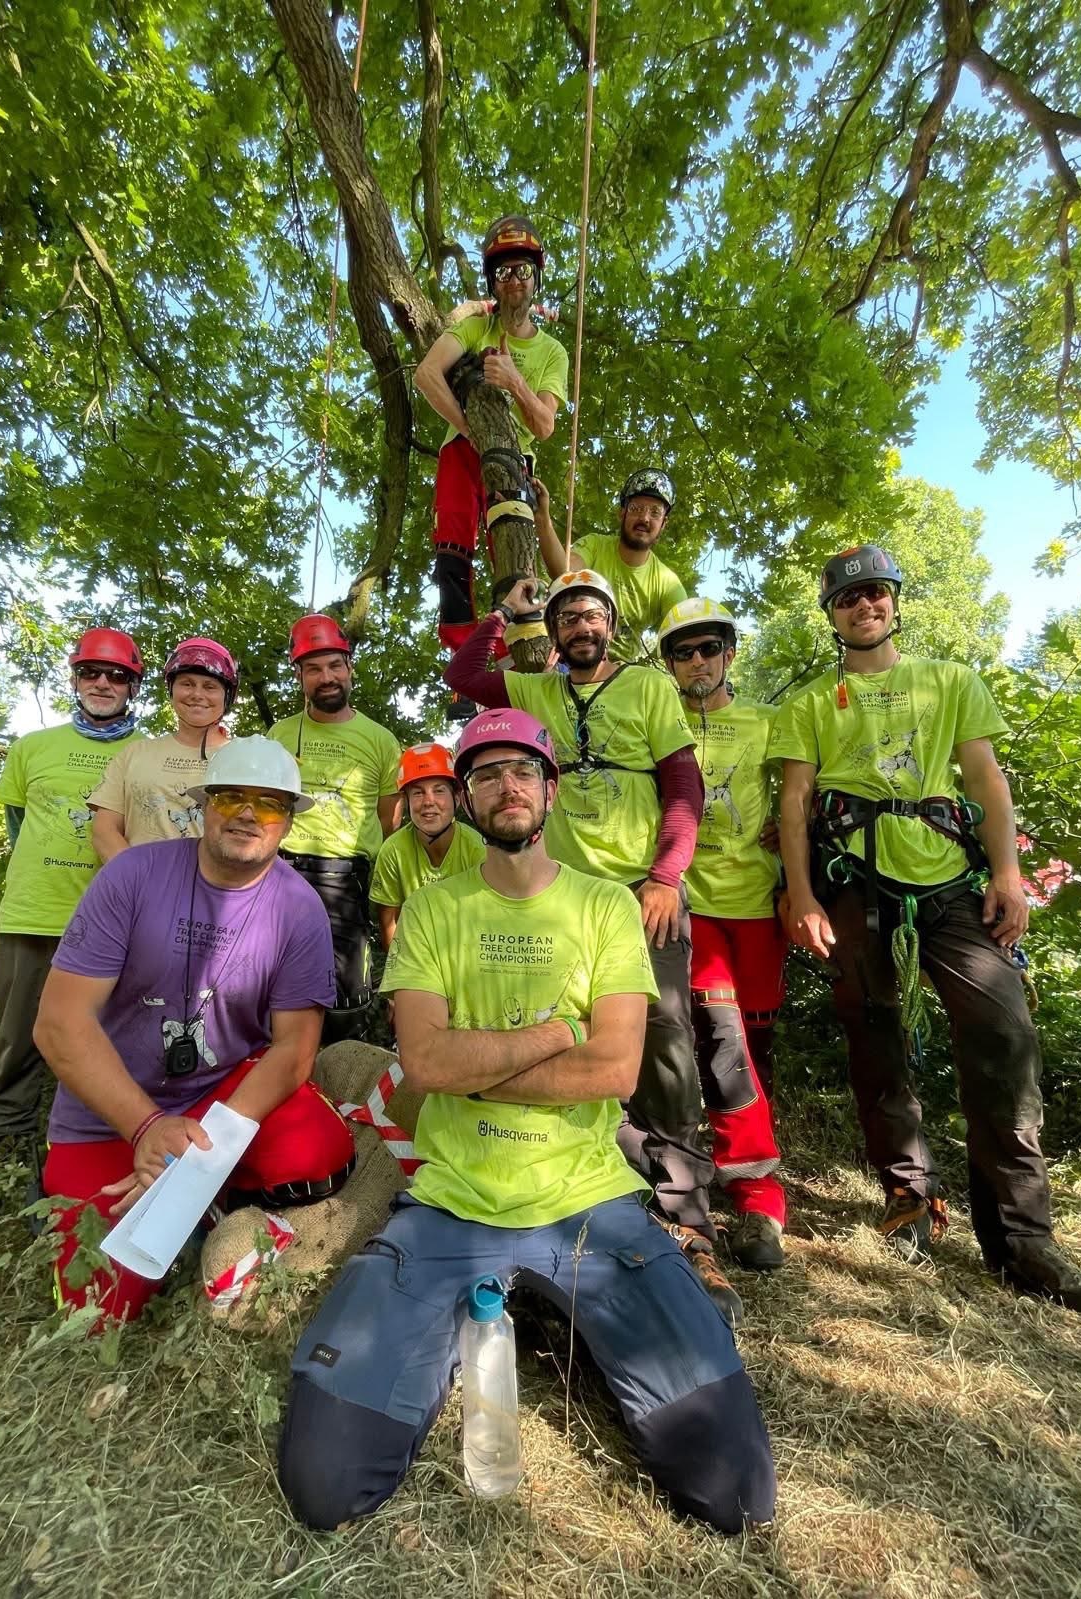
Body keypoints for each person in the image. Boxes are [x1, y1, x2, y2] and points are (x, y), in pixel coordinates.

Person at [279, 708, 775, 1534]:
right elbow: (426, 1064)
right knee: (322, 1485)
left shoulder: (605, 907)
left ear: (550, 789)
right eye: (485, 774)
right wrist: (555, 1034)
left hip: (588, 1204)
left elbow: (614, 1072)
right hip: (453, 1200)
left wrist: (478, 1063)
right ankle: (519, 1310)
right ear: (466, 798)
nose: (505, 785)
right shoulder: (433, 911)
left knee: (738, 1493)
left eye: (522, 771)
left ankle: (556, 1308)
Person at [772, 544, 1081, 1313]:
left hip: (948, 880)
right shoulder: (813, 702)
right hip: (855, 877)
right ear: (831, 614)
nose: (865, 605)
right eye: (848, 597)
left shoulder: (951, 680)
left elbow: (984, 775)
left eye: (876, 592)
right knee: (875, 1033)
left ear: (894, 600)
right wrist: (803, 895)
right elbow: (794, 801)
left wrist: (1008, 874)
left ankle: (1023, 1240)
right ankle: (909, 1195)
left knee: (1003, 1032)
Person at [444, 571, 741, 1321]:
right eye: (567, 616)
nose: (580, 625)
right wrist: (503, 612)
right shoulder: (535, 688)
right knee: (567, 1035)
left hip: (641, 892)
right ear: (554, 631)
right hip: (563, 901)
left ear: (609, 623)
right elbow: (465, 675)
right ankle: (598, 1193)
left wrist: (666, 875)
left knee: (664, 1042)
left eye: (591, 614)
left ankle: (687, 1218)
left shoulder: (647, 687)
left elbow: (684, 788)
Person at [34, 736, 356, 1324]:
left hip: (219, 1095)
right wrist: (147, 1128)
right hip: (112, 1109)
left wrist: (205, 1149)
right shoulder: (132, 875)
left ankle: (206, 1191)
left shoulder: (299, 907)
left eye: (270, 804)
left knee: (317, 1149)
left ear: (288, 821)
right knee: (99, 1311)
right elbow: (59, 1024)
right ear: (204, 805)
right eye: (231, 797)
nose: (248, 814)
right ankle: (157, 1190)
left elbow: (294, 1048)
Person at [659, 597, 787, 1271]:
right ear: (670, 666)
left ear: (730, 653)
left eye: (709, 648)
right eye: (683, 653)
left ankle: (738, 1154)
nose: (697, 661)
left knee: (751, 1044)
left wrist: (791, 834)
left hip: (760, 905)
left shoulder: (768, 721)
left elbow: (804, 790)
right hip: (693, 902)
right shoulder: (659, 719)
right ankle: (758, 1197)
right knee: (722, 1036)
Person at [0, 627, 145, 1153]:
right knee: (19, 1030)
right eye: (90, 672)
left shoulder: (147, 755)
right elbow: (17, 826)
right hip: (34, 911)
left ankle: (94, 1132)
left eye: (116, 675)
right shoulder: (32, 747)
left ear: (133, 686)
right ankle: (7, 1131)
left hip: (113, 920)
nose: (102, 683)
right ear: (74, 679)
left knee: (111, 1032)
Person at [413, 215, 568, 659]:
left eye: (523, 270)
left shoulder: (552, 351)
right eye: (503, 272)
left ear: (536, 277)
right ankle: (463, 647)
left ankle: (518, 647)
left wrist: (515, 381)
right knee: (452, 546)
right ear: (493, 282)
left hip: (516, 457)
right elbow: (427, 374)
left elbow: (544, 425)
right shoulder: (476, 328)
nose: (514, 280)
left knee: (513, 550)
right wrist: (468, 428)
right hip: (463, 449)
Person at [269, 614, 400, 1042]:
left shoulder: (380, 740)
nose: (326, 677)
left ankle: (341, 1074)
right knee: (275, 988)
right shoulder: (279, 735)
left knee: (346, 1000)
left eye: (334, 666)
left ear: (349, 668)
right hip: (281, 873)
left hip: (346, 880)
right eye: (313, 668)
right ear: (299, 676)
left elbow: (389, 821)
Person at [90, 637, 237, 858]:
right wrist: (135, 876)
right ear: (171, 689)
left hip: (216, 880)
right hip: (138, 878)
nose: (197, 694)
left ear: (228, 696)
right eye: (187, 684)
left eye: (210, 686)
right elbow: (104, 831)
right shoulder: (134, 753)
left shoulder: (245, 759)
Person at [537, 468, 687, 663]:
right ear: (622, 513)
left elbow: (686, 635)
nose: (644, 518)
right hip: (570, 657)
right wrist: (542, 518)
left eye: (655, 512)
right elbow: (565, 574)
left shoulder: (667, 584)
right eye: (636, 508)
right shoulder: (595, 545)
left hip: (620, 673)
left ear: (664, 524)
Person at [369, 742, 485, 951]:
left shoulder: (477, 850)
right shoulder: (393, 851)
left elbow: (487, 922)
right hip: (414, 956)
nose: (428, 801)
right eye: (417, 793)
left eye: (439, 791)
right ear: (406, 801)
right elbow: (389, 926)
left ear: (457, 798)